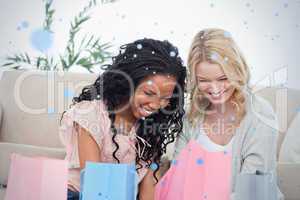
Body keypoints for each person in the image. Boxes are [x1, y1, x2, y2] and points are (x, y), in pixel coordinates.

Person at [59, 38, 186, 200]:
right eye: (148, 93)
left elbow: (149, 188)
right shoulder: (91, 114)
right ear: (127, 83)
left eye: (165, 98)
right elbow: (95, 187)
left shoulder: (150, 129)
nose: (155, 105)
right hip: (78, 195)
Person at [173, 28, 283, 199]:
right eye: (204, 80)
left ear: (236, 72)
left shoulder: (260, 114)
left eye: (223, 78)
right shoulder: (192, 117)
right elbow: (178, 177)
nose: (215, 89)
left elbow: (253, 192)